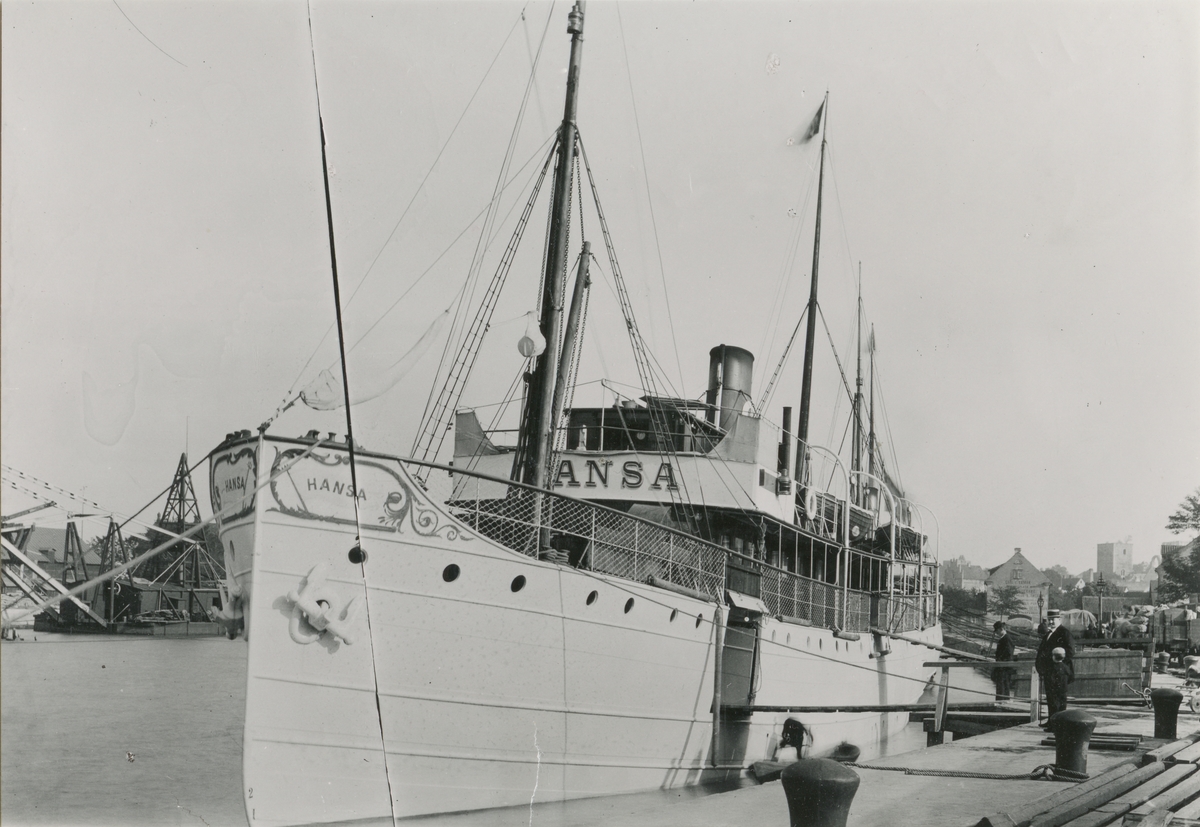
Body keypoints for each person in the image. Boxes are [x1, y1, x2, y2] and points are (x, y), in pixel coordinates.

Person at [1036, 608, 1075, 721]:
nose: (1051, 622)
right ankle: (1052, 721)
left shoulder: (1064, 633)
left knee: (1059, 699)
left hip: (1059, 672)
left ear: (1059, 619)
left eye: (1054, 619)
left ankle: (1059, 724)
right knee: (1051, 698)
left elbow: (1071, 651)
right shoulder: (1048, 634)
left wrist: (1058, 661)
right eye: (1049, 620)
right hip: (1049, 671)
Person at [992, 620, 1016, 701]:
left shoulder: (1006, 639)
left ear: (1001, 629)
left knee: (1003, 686)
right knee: (1003, 686)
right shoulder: (1004, 638)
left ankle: (1002, 703)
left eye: (997, 631)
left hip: (1004, 668)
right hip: (1003, 667)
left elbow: (1009, 654)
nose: (996, 633)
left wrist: (1000, 661)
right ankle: (1003, 702)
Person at [1045, 647, 1071, 718]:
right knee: (1062, 708)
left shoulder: (1051, 668)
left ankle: (1053, 725)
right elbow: (1070, 678)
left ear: (1053, 656)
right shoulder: (1066, 667)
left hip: (1053, 691)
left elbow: (1050, 680)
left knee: (1053, 708)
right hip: (1063, 690)